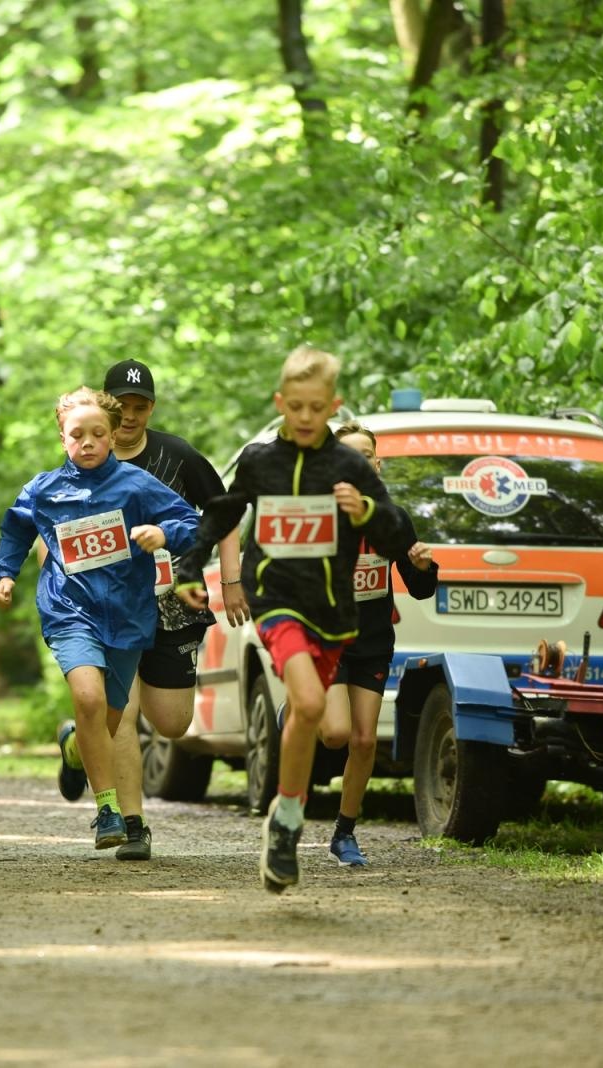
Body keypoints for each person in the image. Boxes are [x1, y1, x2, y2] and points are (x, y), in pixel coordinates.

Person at [175, 345, 407, 894]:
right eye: (295, 406)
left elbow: (398, 533)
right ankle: (286, 822)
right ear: (281, 402)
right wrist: (189, 563)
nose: (304, 418)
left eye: (316, 408)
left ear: (333, 406)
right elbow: (224, 512)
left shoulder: (349, 467)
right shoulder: (260, 462)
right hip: (277, 603)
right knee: (305, 704)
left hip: (335, 616)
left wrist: (367, 512)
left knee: (316, 723)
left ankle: (288, 808)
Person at [55, 359, 249, 861]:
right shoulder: (83, 456)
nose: (130, 417)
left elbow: (226, 511)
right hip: (104, 609)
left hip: (170, 606)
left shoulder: (177, 456)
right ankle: (132, 823)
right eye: (123, 406)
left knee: (172, 723)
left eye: (141, 407)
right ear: (107, 404)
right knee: (124, 714)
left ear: (151, 408)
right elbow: (50, 528)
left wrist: (229, 581)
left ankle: (78, 740)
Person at [0, 387, 198, 851]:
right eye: (76, 434)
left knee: (105, 719)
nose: (87, 442)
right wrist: (5, 574)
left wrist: (163, 532)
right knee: (88, 697)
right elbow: (17, 528)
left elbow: (194, 525)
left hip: (128, 616)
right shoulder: (43, 488)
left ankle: (73, 748)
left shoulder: (136, 485)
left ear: (111, 436)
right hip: (69, 610)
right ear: (63, 437)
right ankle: (107, 810)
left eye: (97, 434)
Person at [317, 422, 437, 867]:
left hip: (371, 641)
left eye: (365, 455)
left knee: (364, 741)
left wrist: (423, 566)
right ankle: (298, 709)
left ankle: (344, 833)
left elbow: (420, 588)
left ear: (377, 463)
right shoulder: (315, 517)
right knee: (334, 734)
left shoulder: (392, 519)